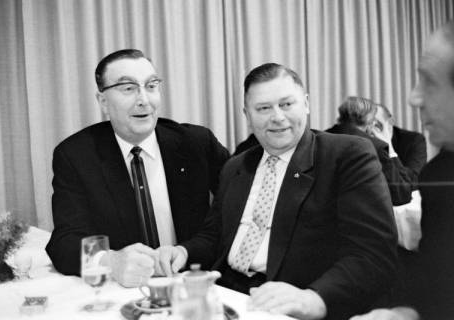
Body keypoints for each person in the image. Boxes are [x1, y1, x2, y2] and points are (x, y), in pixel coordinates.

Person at [156, 63, 398, 320]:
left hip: (293, 304)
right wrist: (182, 252)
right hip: (226, 297)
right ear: (247, 115)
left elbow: (373, 254)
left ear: (305, 103)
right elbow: (214, 236)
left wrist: (312, 298)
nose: (277, 117)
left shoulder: (346, 155)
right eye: (263, 108)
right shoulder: (236, 166)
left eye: (286, 104)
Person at [45, 49, 230, 287]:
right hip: (127, 291)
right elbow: (64, 241)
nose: (144, 99)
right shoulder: (77, 156)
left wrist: (188, 250)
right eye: (129, 88)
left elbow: (240, 207)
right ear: (103, 101)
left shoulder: (196, 143)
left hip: (196, 283)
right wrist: (110, 261)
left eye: (151, 86)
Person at [350, 21, 454, 320]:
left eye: (430, 82)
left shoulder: (414, 144)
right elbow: (436, 295)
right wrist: (403, 315)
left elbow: (401, 191)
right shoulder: (441, 174)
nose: (414, 98)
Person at [326, 97, 412, 205]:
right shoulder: (374, 146)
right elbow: (401, 195)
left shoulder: (319, 139)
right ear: (369, 121)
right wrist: (389, 146)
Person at [372, 103, 427, 187]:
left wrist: (389, 148)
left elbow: (412, 181)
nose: (372, 131)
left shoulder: (413, 140)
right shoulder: (362, 141)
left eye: (377, 125)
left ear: (390, 122)